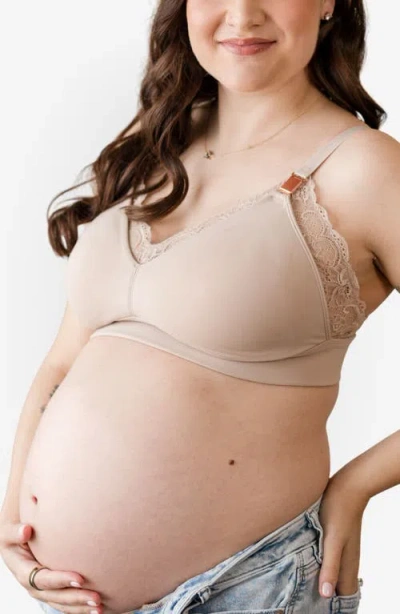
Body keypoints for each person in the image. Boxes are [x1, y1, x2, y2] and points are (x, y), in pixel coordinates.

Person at [1, 1, 399, 613]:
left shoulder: (364, 168)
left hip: (251, 587)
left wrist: (356, 486)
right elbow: (63, 360)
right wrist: (14, 525)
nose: (242, 14)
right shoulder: (155, 142)